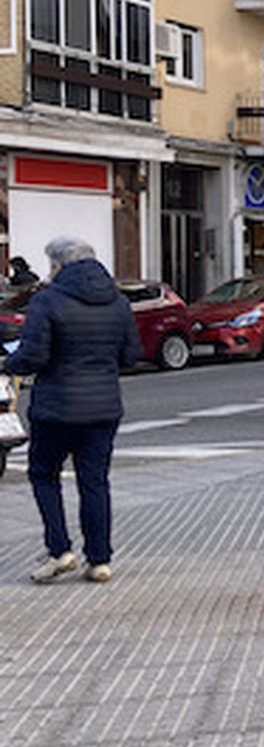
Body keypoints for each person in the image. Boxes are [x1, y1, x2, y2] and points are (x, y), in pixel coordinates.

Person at [5, 237, 141, 584]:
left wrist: (9, 364)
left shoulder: (47, 301)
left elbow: (33, 357)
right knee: (94, 481)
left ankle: (60, 550)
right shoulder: (119, 302)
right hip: (104, 407)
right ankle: (99, 560)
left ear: (59, 266)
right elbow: (130, 356)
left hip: (56, 408)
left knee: (43, 474)